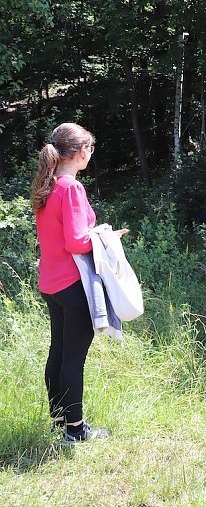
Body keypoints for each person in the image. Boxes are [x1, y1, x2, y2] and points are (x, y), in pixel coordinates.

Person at [32, 123, 111, 443]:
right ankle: (76, 431)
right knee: (74, 358)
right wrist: (104, 237)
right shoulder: (70, 188)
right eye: (90, 149)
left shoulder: (46, 186)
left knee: (59, 353)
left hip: (51, 283)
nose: (90, 155)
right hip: (73, 284)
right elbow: (77, 242)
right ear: (80, 153)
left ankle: (60, 420)